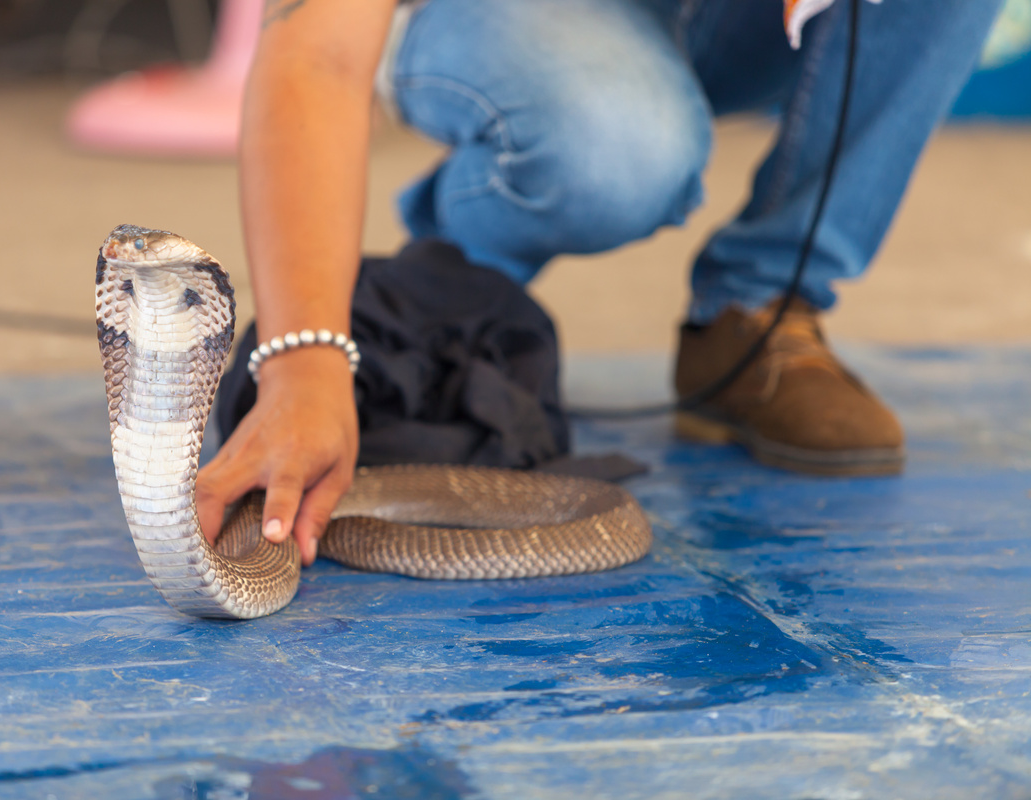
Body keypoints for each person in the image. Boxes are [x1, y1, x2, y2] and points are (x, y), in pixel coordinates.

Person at [193, 0, 1004, 565]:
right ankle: (447, 293)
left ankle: (758, 308)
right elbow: (317, 51)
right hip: (504, 24)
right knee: (617, 150)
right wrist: (303, 361)